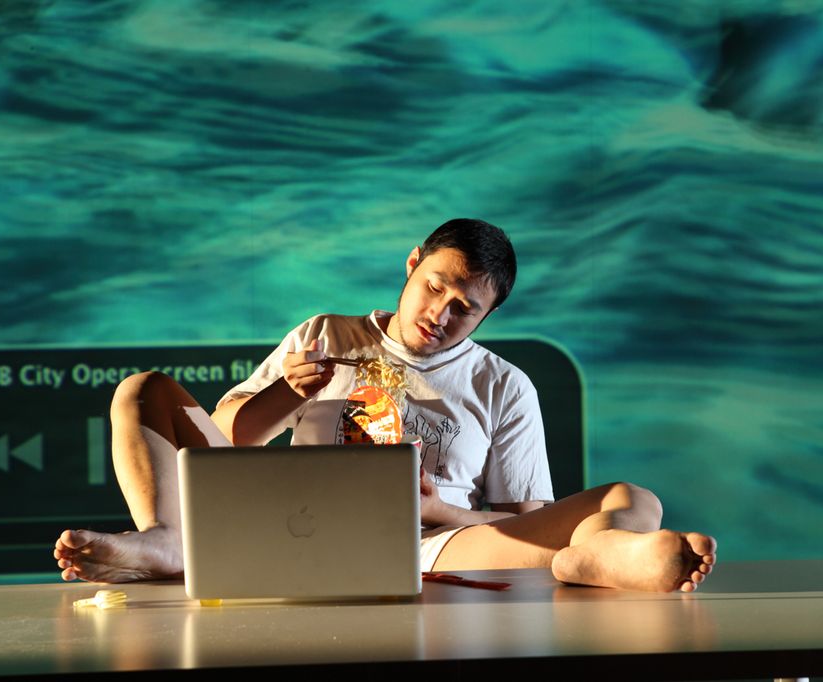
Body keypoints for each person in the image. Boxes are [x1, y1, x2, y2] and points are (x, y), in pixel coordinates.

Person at [54, 219, 716, 591]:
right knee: (142, 390)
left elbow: (523, 518)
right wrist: (289, 390)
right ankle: (168, 542)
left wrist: (435, 509)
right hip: (291, 524)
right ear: (411, 265)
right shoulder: (325, 335)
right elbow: (228, 442)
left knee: (632, 498)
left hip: (431, 545)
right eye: (434, 288)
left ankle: (602, 559)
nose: (441, 313)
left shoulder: (503, 384)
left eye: (465, 308)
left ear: (489, 314)